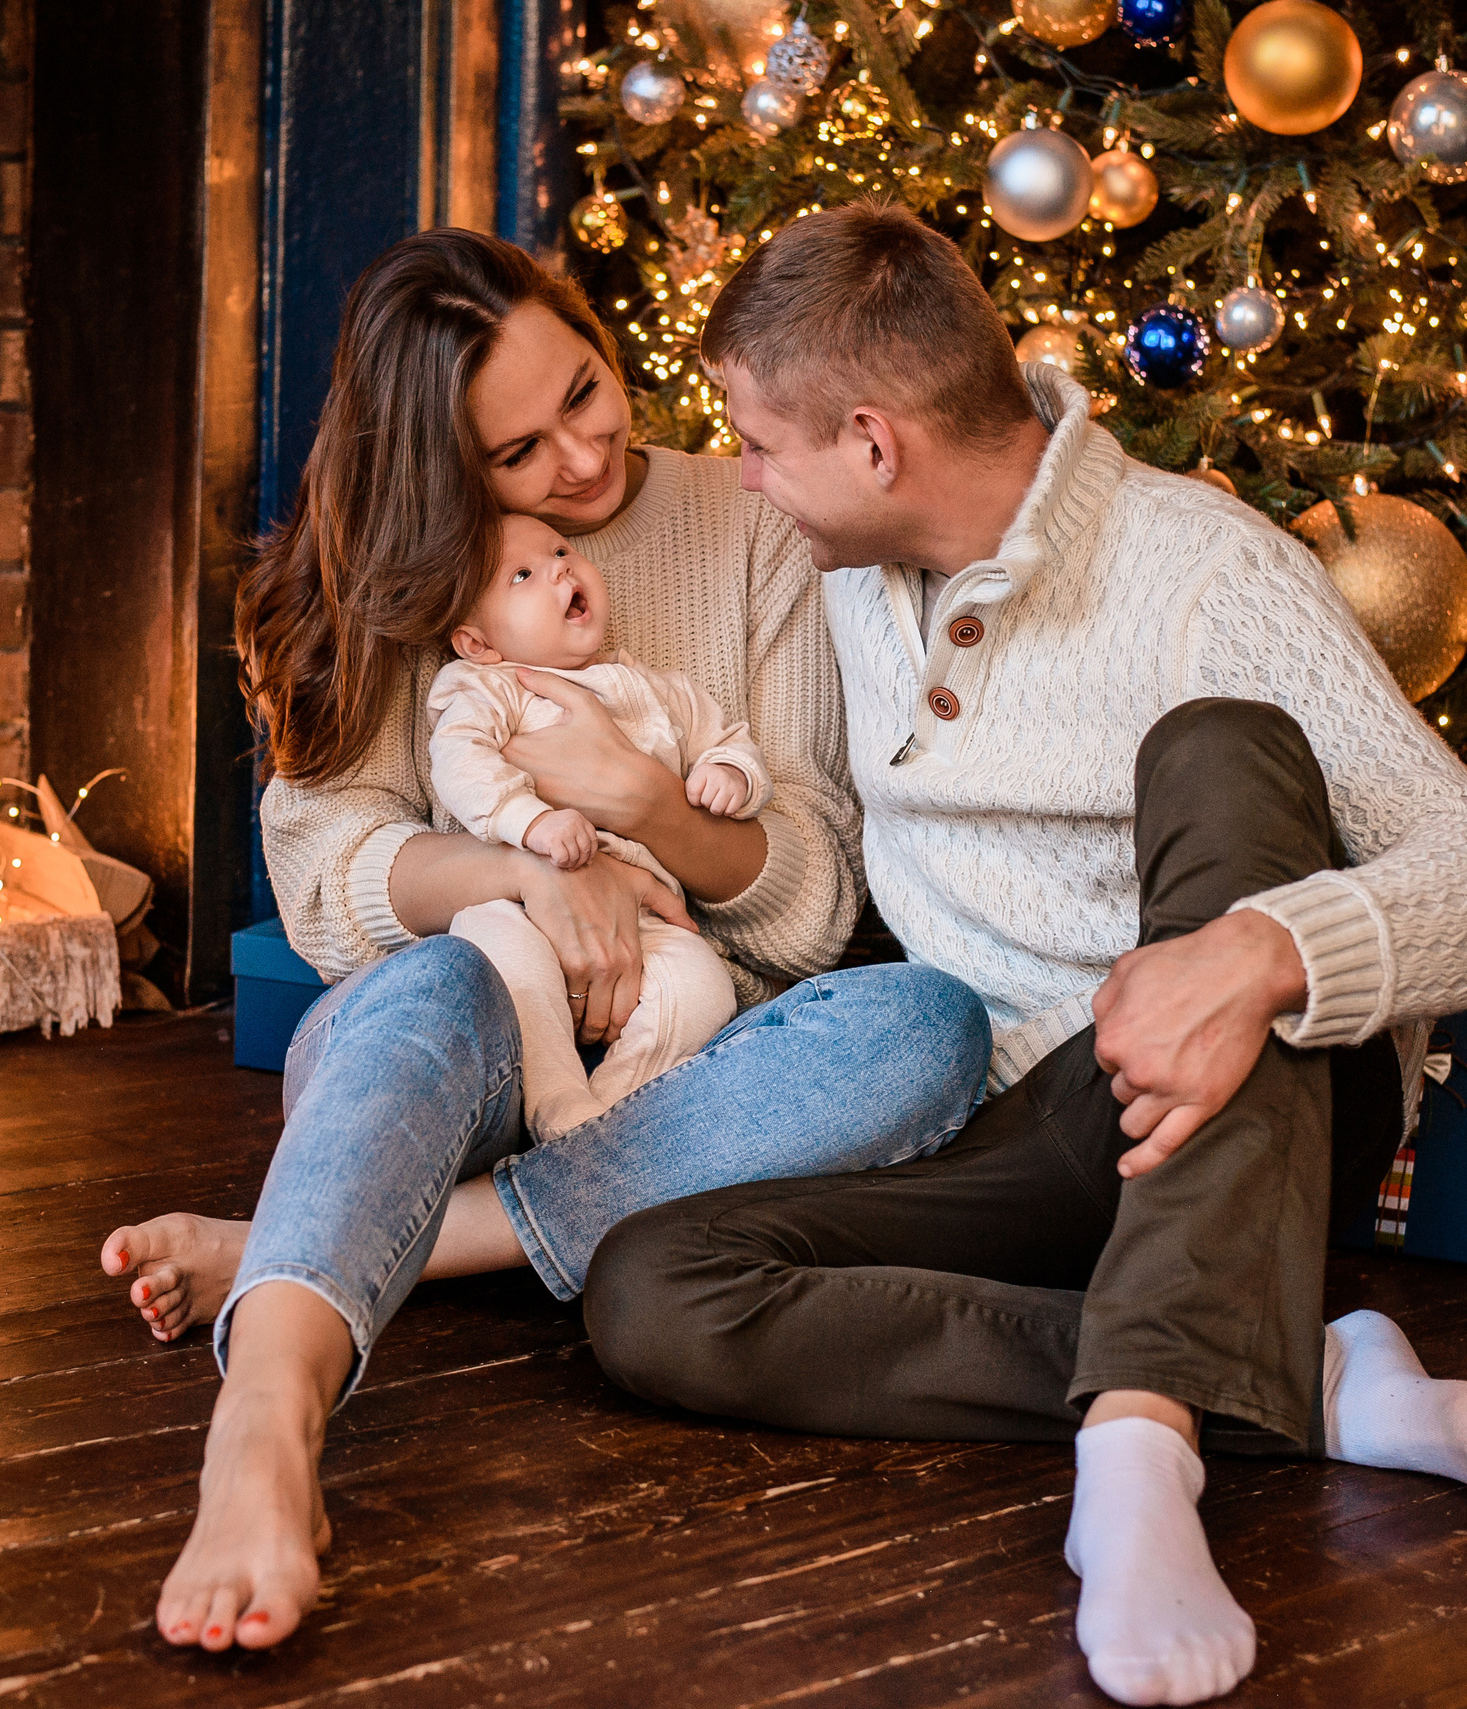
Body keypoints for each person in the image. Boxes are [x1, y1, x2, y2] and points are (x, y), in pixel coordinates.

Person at [582, 202, 1467, 1707]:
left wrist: (1251, 954)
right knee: (657, 1291)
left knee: (1226, 752)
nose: (746, 476)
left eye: (761, 442)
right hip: (1029, 1116)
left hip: (1260, 1099)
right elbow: (814, 876)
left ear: (872, 443)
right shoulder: (850, 584)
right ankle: (1302, 1376)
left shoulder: (1207, 573)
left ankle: (1138, 1455)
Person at [98, 228, 991, 1654]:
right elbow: (326, 876)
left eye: (585, 388)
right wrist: (527, 871)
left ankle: (327, 1239)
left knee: (928, 1025)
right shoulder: (436, 573)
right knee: (440, 981)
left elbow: (816, 897)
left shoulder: (757, 521)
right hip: (451, 1048)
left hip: (689, 1063)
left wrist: (646, 806)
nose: (580, 463)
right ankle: (265, 1414)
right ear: (449, 472)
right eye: (519, 454)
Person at [433, 512, 763, 1139]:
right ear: (479, 643)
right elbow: (460, 760)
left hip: (636, 920)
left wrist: (731, 772)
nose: (560, 566)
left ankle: (607, 1116)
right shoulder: (493, 687)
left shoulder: (657, 689)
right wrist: (528, 822)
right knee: (491, 952)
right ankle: (555, 1098)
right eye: (524, 574)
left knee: (704, 986)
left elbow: (727, 739)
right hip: (518, 900)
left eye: (561, 551)